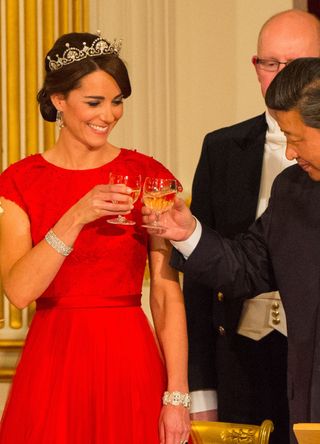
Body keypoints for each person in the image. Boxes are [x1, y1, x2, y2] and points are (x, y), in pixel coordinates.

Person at [0, 31, 190, 444]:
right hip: (53, 362)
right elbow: (18, 291)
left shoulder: (148, 175)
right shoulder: (19, 182)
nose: (109, 114)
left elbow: (164, 289)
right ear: (58, 102)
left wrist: (177, 395)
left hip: (129, 359)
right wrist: (76, 215)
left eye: (117, 100)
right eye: (94, 102)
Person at [141, 56, 320, 444]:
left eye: (295, 138)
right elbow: (247, 267)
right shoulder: (292, 190)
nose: (288, 154)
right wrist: (187, 232)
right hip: (309, 412)